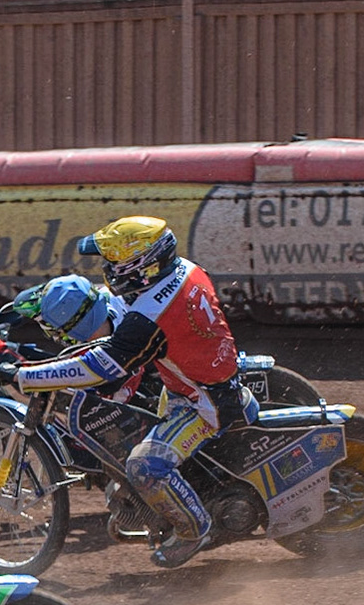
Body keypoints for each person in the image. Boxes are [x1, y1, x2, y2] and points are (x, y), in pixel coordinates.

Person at [13, 216, 256, 568]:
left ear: (138, 265)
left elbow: (100, 367)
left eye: (112, 261)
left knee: (144, 466)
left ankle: (194, 530)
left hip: (203, 403)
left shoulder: (149, 317)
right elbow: (130, 312)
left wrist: (29, 377)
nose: (106, 268)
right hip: (195, 376)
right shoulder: (183, 270)